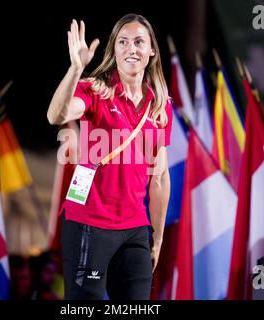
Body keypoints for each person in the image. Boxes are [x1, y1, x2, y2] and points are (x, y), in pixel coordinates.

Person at [47, 13, 172, 300]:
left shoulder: (160, 108)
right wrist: (75, 70)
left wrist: (159, 236)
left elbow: (160, 178)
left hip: (135, 230)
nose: (131, 49)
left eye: (139, 42)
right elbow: (57, 115)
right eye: (123, 42)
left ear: (151, 50)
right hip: (88, 224)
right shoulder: (95, 91)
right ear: (114, 50)